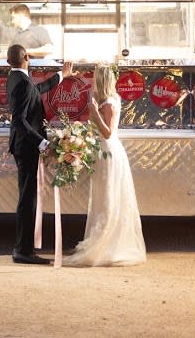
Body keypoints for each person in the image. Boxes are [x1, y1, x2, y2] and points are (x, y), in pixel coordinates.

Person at [65, 64, 146, 267]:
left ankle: (106, 244)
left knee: (108, 198)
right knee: (103, 198)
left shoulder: (109, 103)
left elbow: (108, 132)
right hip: (103, 152)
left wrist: (94, 113)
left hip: (109, 152)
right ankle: (100, 240)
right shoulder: (109, 100)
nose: (92, 82)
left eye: (95, 79)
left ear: (101, 81)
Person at [6, 43, 72, 265]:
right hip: (26, 148)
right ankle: (23, 251)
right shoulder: (22, 82)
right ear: (26, 57)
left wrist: (61, 75)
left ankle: (23, 248)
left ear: (9, 61)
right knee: (28, 199)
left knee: (28, 197)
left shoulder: (16, 78)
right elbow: (19, 121)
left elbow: (37, 90)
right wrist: (43, 143)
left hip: (22, 146)